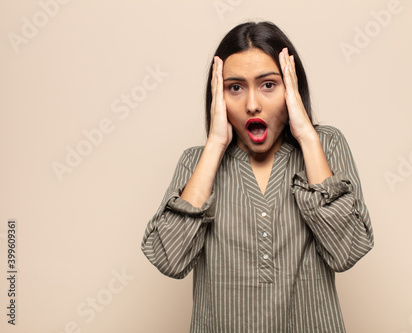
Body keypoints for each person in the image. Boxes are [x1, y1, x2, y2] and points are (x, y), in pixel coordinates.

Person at [141, 21, 374, 333]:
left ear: (291, 88)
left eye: (268, 85)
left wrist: (306, 135)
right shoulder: (196, 163)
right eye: (235, 88)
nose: (252, 104)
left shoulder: (324, 146)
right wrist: (214, 146)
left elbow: (348, 251)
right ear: (218, 96)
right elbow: (169, 260)